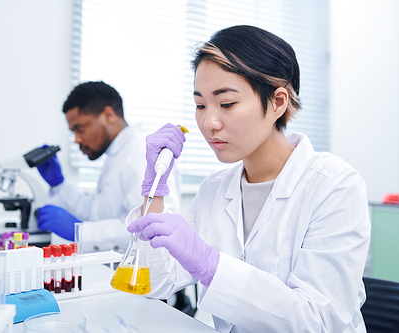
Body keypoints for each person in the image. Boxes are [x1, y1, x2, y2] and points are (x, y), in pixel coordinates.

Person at [126, 25, 371, 332]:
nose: (209, 122)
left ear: (278, 102)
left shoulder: (335, 186)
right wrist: (155, 190)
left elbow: (319, 322)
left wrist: (210, 264)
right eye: (200, 105)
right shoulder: (214, 189)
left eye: (226, 103)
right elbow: (155, 283)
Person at [35, 81, 181, 253]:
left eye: (80, 128)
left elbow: (154, 226)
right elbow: (95, 214)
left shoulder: (140, 149)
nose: (77, 140)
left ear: (108, 115)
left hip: (148, 276)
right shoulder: (117, 153)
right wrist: (59, 185)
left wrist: (82, 231)